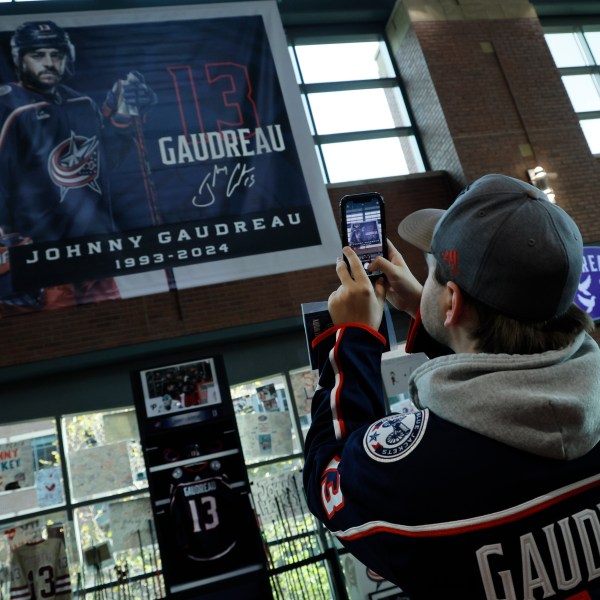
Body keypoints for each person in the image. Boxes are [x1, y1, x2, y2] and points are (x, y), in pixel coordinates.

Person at [303, 173, 600, 599]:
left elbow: (327, 480)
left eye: (432, 270)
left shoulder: (412, 477)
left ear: (452, 300)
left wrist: (350, 338)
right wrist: (432, 313)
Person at [0, 20, 156, 314]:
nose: (49, 63)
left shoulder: (81, 102)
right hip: (42, 263)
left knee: (115, 333)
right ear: (20, 59)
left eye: (56, 55)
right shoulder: (8, 107)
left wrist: (122, 119)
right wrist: (12, 254)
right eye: (38, 55)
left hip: (91, 257)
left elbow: (104, 164)